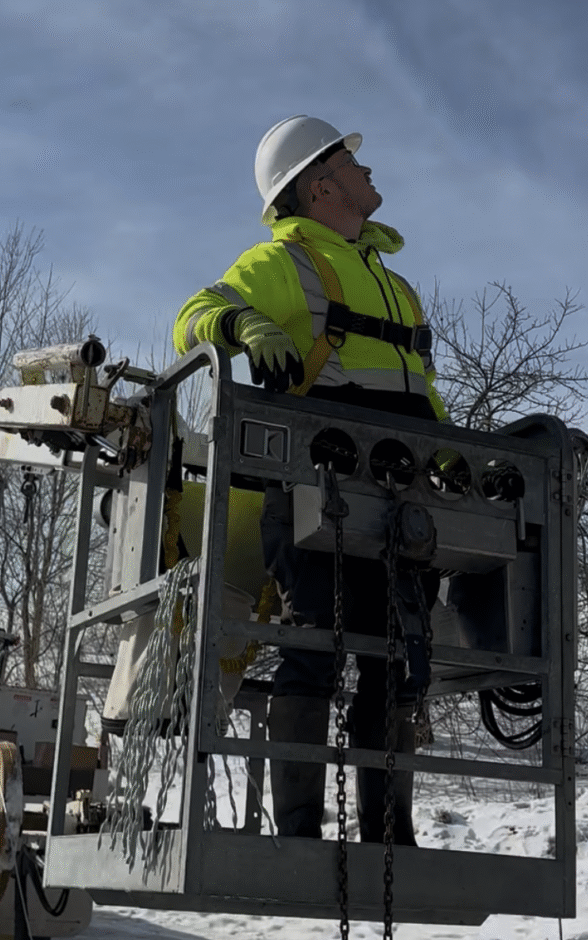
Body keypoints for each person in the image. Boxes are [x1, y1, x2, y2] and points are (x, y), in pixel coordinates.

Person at [173, 115, 448, 845]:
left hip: (396, 501)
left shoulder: (400, 290)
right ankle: (298, 829)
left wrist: (453, 459)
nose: (368, 170)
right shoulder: (284, 262)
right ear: (322, 186)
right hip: (312, 493)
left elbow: (422, 390)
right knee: (315, 647)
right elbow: (193, 316)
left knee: (396, 662)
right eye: (352, 162)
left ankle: (389, 833)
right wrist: (248, 328)